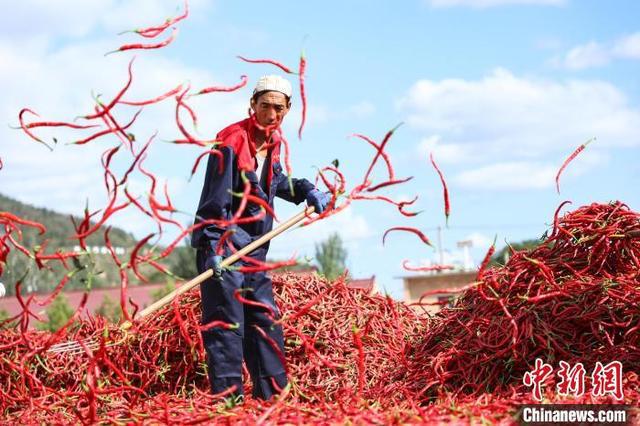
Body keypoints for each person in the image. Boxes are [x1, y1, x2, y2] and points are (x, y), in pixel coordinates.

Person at [191, 75, 330, 401]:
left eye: (278, 108)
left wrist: (305, 190)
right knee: (227, 328)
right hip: (224, 249)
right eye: (264, 106)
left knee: (264, 323)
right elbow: (215, 199)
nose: (271, 114)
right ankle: (228, 406)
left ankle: (273, 403)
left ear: (287, 110)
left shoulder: (274, 142)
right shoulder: (230, 141)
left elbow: (273, 182)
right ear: (252, 105)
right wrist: (213, 246)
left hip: (253, 252)